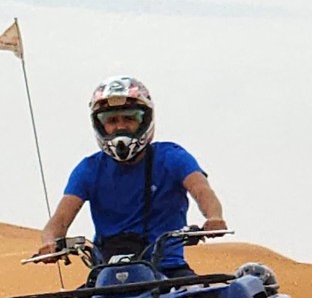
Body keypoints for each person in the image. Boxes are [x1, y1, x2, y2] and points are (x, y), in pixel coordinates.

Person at [35, 75, 227, 277]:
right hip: (106, 274)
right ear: (100, 125)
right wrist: (50, 242)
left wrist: (214, 217)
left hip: (168, 271)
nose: (120, 126)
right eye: (111, 120)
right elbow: (60, 219)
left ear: (144, 120)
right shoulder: (89, 169)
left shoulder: (172, 158)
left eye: (129, 118)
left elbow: (202, 190)